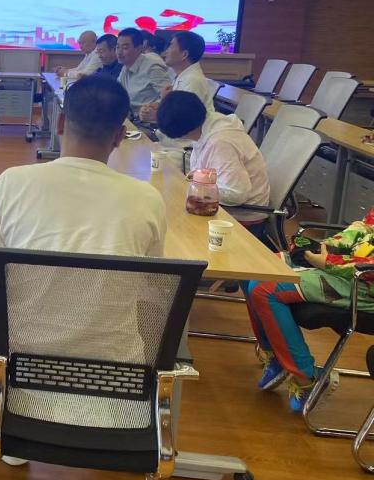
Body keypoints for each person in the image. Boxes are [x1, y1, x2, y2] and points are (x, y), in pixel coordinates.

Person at [0, 75, 167, 466]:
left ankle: (18, 439)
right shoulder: (146, 199)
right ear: (120, 136)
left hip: (22, 385)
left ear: (59, 122)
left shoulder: (14, 182)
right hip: (115, 389)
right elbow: (150, 285)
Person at [244, 212, 374, 412]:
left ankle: (306, 379)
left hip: (365, 286)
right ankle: (276, 355)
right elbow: (365, 227)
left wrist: (328, 261)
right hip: (348, 267)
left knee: (265, 288)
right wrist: (324, 247)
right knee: (257, 267)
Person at [155, 91, 270, 222]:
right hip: (222, 205)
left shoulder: (220, 142)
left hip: (241, 215)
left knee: (171, 217)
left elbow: (236, 194)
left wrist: (194, 189)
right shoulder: (206, 125)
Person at [116, 27, 169, 116]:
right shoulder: (126, 65)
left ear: (139, 48)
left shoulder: (152, 67)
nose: (119, 52)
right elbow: (117, 92)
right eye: (117, 47)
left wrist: (154, 108)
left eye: (125, 48)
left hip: (148, 121)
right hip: (131, 118)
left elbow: (169, 96)